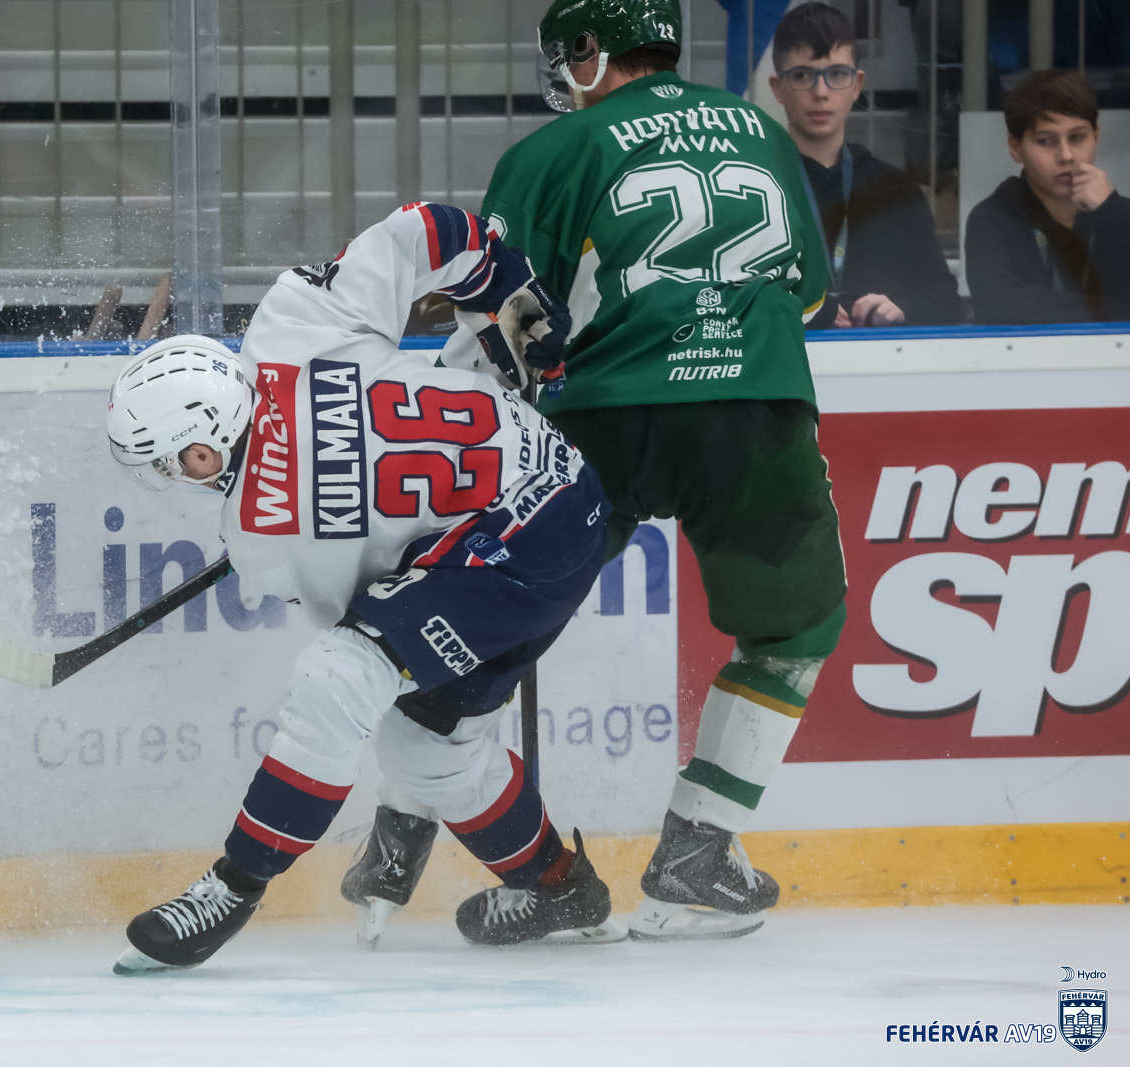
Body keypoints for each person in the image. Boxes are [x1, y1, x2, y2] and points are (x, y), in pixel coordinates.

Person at [349, 0, 848, 944]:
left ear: (590, 51)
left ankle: (397, 838)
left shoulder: (554, 151)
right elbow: (812, 294)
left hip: (596, 422)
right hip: (755, 410)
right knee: (794, 627)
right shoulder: (764, 133)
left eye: (564, 56)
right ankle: (701, 843)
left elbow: (498, 317)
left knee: (471, 622)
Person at [104, 202, 630, 974]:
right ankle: (562, 888)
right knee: (426, 749)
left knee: (338, 678)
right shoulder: (290, 321)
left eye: (171, 463)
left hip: (522, 541)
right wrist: (509, 294)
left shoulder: (261, 538)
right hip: (548, 487)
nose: (176, 478)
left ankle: (234, 885)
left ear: (203, 450)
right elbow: (425, 230)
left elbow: (357, 654)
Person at [767, 3, 960, 328]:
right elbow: (725, 304)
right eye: (802, 76)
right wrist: (805, 312)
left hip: (879, 358)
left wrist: (903, 310)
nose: (821, 92)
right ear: (778, 88)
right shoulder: (754, 187)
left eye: (836, 74)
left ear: (857, 85)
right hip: (787, 359)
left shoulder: (895, 190)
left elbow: (946, 304)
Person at [965, 69, 1130, 325]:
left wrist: (1111, 213)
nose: (1066, 156)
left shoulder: (1121, 214)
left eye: (1077, 138)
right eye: (1046, 141)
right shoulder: (990, 219)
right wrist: (1114, 308)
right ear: (1015, 147)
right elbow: (1000, 305)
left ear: (1096, 137)